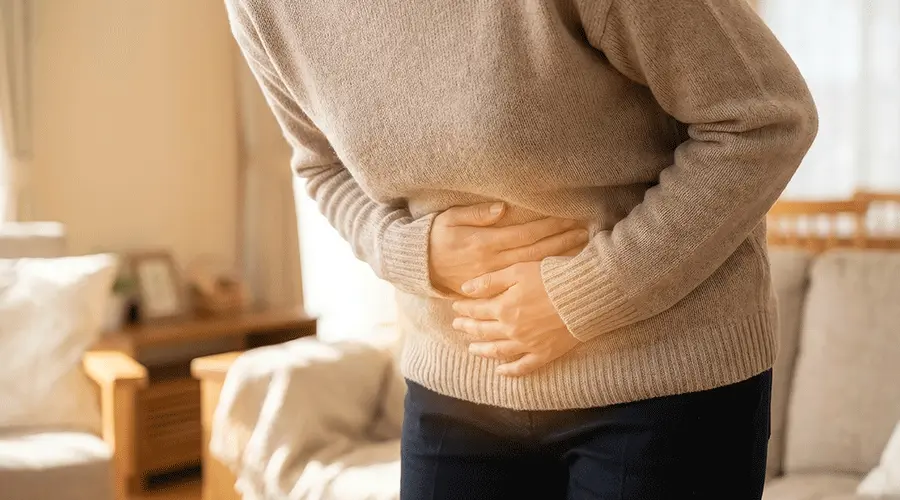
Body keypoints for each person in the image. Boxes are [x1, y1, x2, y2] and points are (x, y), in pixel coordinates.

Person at [225, 0, 817, 498]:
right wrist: (409, 251)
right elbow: (322, 164)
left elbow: (766, 120)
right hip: (452, 386)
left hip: (665, 385)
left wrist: (589, 292)